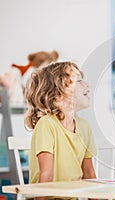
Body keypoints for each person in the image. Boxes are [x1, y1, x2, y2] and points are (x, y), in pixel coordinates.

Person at [25, 61, 96, 198]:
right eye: (79, 81)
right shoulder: (47, 124)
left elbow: (89, 175)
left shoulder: (85, 127)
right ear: (58, 94)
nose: (87, 85)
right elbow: (46, 175)